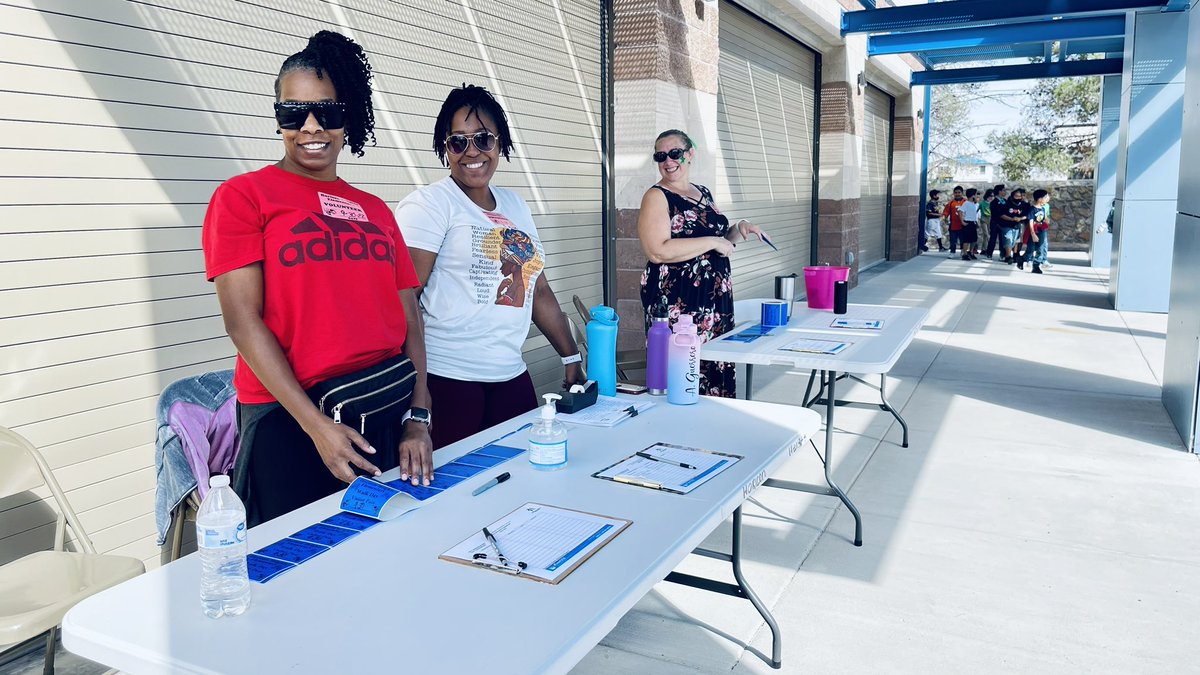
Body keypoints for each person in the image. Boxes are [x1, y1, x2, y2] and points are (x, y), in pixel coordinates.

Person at [202, 31, 433, 527]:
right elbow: (242, 322)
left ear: (346, 117)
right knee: (296, 566)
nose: (311, 127)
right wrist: (317, 427)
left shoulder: (375, 210)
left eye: (326, 112)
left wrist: (418, 416)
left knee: (383, 551)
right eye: (294, 113)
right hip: (290, 418)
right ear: (277, 116)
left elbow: (409, 317)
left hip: (382, 405)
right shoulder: (244, 197)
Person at [396, 84, 583, 450]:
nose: (472, 153)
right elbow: (404, 302)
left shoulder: (515, 206)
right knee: (453, 496)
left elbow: (537, 289)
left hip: (511, 376)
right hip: (447, 380)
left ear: (500, 142)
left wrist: (571, 355)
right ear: (445, 148)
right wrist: (417, 404)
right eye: (458, 142)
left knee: (521, 479)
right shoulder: (430, 205)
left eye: (483, 139)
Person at [638, 129, 769, 398]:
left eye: (675, 153)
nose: (668, 161)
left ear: (690, 154)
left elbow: (718, 240)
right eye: (660, 156)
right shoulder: (657, 196)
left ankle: (712, 434)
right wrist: (713, 242)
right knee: (684, 372)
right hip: (679, 301)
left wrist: (738, 229)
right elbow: (657, 251)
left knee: (713, 366)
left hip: (713, 301)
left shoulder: (703, 192)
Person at [1001, 188, 1032, 267]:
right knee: (1008, 239)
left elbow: (1027, 214)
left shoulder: (1024, 204)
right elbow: (1002, 214)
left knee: (1016, 240)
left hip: (1018, 225)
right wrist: (1012, 218)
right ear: (1012, 196)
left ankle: (1015, 254)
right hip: (1007, 224)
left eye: (1020, 196)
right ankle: (1008, 256)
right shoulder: (1006, 203)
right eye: (1016, 196)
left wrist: (1020, 218)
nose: (1018, 198)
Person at [1023, 189, 1051, 274]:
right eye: (1045, 197)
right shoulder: (1032, 209)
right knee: (1030, 248)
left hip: (1041, 230)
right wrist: (1033, 233)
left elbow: (1045, 219)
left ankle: (1036, 266)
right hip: (1034, 231)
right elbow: (1031, 222)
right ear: (1039, 199)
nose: (1047, 199)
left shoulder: (1043, 208)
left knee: (1041, 248)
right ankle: (1022, 259)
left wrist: (1046, 220)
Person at [956, 188, 981, 260]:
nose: (977, 196)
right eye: (976, 195)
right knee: (966, 239)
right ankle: (965, 253)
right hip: (968, 222)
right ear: (973, 195)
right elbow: (960, 211)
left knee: (974, 239)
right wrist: (962, 221)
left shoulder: (974, 204)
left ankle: (971, 252)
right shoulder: (966, 203)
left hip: (973, 222)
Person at [984, 184, 1007, 259]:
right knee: (993, 238)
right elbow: (996, 213)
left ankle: (1002, 254)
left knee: (1002, 239)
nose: (1005, 192)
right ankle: (989, 253)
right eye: (1003, 190)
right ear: (999, 191)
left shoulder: (1005, 201)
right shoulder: (994, 202)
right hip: (995, 223)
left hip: (1003, 223)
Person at [942, 185, 966, 255]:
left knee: (963, 239)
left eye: (959, 192)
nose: (957, 194)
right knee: (953, 240)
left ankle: (963, 251)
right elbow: (946, 212)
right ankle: (952, 252)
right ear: (953, 193)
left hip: (963, 225)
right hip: (953, 225)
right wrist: (945, 218)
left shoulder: (966, 202)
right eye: (956, 192)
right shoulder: (951, 203)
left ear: (962, 193)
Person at [979, 188, 994, 258]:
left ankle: (984, 249)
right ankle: (987, 249)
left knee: (986, 236)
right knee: (986, 234)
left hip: (991, 220)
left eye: (993, 196)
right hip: (983, 219)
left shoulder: (993, 203)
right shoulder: (982, 203)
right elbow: (975, 210)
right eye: (990, 196)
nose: (991, 197)